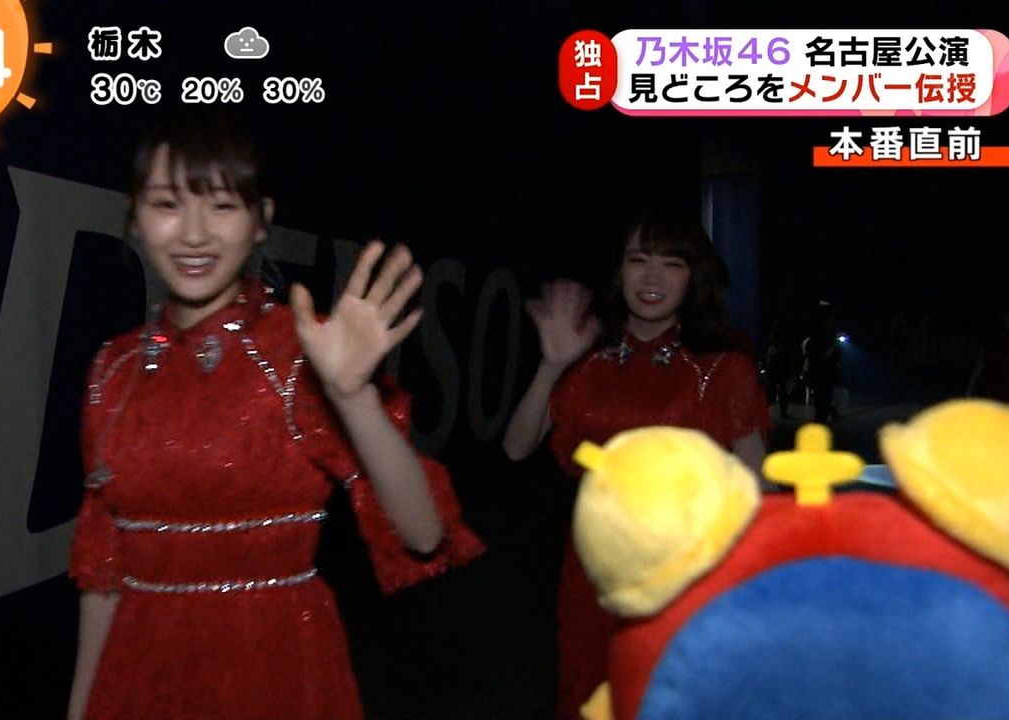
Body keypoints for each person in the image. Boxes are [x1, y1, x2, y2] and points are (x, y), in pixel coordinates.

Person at [66, 110, 483, 720]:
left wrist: (353, 397)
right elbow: (103, 571)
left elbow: (423, 536)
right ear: (134, 217)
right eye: (167, 205)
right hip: (138, 678)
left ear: (262, 220)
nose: (194, 234)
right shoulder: (113, 368)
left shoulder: (302, 351)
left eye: (222, 206)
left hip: (276, 671)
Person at [501, 209, 770, 720]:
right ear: (618, 271)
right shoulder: (585, 357)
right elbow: (516, 448)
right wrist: (551, 366)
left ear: (693, 278)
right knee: (591, 695)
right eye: (638, 260)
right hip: (592, 573)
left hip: (686, 572)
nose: (652, 277)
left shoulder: (723, 368)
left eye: (672, 264)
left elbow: (757, 488)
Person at [802, 302, 841, 424]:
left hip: (822, 374)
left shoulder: (814, 338)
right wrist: (833, 344)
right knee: (822, 400)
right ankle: (821, 421)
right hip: (822, 374)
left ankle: (821, 420)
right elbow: (824, 355)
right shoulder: (820, 339)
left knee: (823, 400)